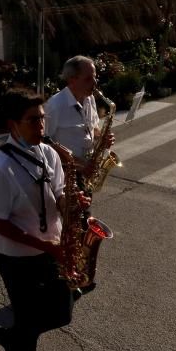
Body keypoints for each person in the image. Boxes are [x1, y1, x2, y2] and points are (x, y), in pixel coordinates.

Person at [0, 88, 90, 351]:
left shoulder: (49, 153)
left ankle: (13, 337)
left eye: (42, 118)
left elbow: (56, 193)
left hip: (49, 249)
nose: (41, 125)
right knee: (29, 325)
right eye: (33, 120)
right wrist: (45, 246)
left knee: (62, 313)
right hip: (18, 260)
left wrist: (72, 204)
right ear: (13, 124)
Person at [44, 55, 114, 292]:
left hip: (85, 171)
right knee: (69, 227)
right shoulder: (54, 106)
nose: (94, 82)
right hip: (65, 174)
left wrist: (101, 138)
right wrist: (74, 162)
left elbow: (92, 127)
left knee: (82, 222)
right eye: (89, 77)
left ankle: (79, 271)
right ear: (72, 79)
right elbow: (44, 141)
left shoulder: (88, 99)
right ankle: (65, 274)